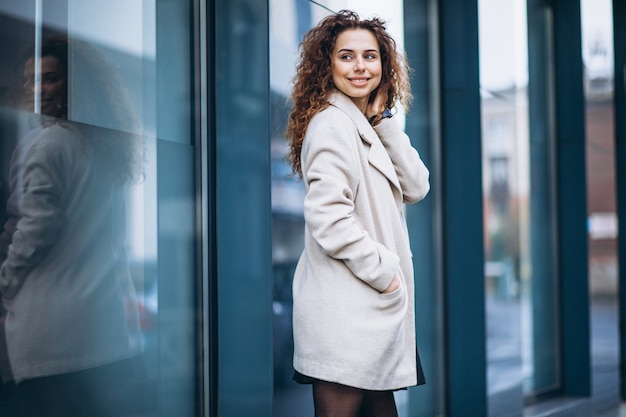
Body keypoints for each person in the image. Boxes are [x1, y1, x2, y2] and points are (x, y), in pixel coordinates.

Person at [286, 10, 430, 417]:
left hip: (368, 314)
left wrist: (383, 122)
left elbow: (417, 186)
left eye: (370, 56)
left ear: (384, 66)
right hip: (349, 315)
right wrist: (386, 275)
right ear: (326, 65)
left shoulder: (365, 125)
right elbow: (329, 218)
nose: (360, 66)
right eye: (346, 56)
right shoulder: (332, 124)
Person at [0, 35, 145, 417]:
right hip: (102, 329)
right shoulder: (103, 148)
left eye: (50, 78)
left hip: (48, 338)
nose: (38, 90)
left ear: (74, 84)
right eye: (31, 81)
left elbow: (33, 229)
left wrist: (4, 280)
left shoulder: (44, 144)